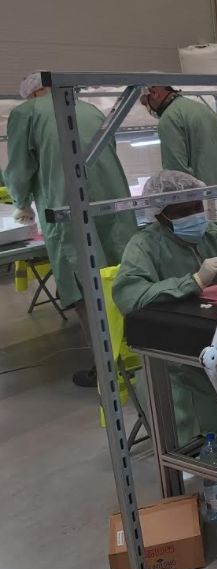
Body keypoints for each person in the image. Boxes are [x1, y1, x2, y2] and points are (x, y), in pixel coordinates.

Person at [112, 170, 217, 463]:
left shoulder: (216, 235)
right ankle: (213, 461)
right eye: (183, 211)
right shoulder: (144, 246)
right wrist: (194, 280)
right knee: (205, 397)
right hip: (176, 352)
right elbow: (130, 296)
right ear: (161, 215)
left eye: (197, 207)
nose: (194, 215)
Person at [3, 71, 139, 387]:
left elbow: (21, 167)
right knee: (122, 282)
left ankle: (109, 371)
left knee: (88, 290)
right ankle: (142, 357)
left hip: (69, 210)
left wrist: (21, 203)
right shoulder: (88, 108)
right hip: (112, 207)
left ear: (32, 94)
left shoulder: (26, 113)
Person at [140, 85, 217, 235]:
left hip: (203, 208)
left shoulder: (169, 118)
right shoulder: (204, 110)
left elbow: (177, 178)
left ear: (154, 92)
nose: (147, 108)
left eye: (145, 103)